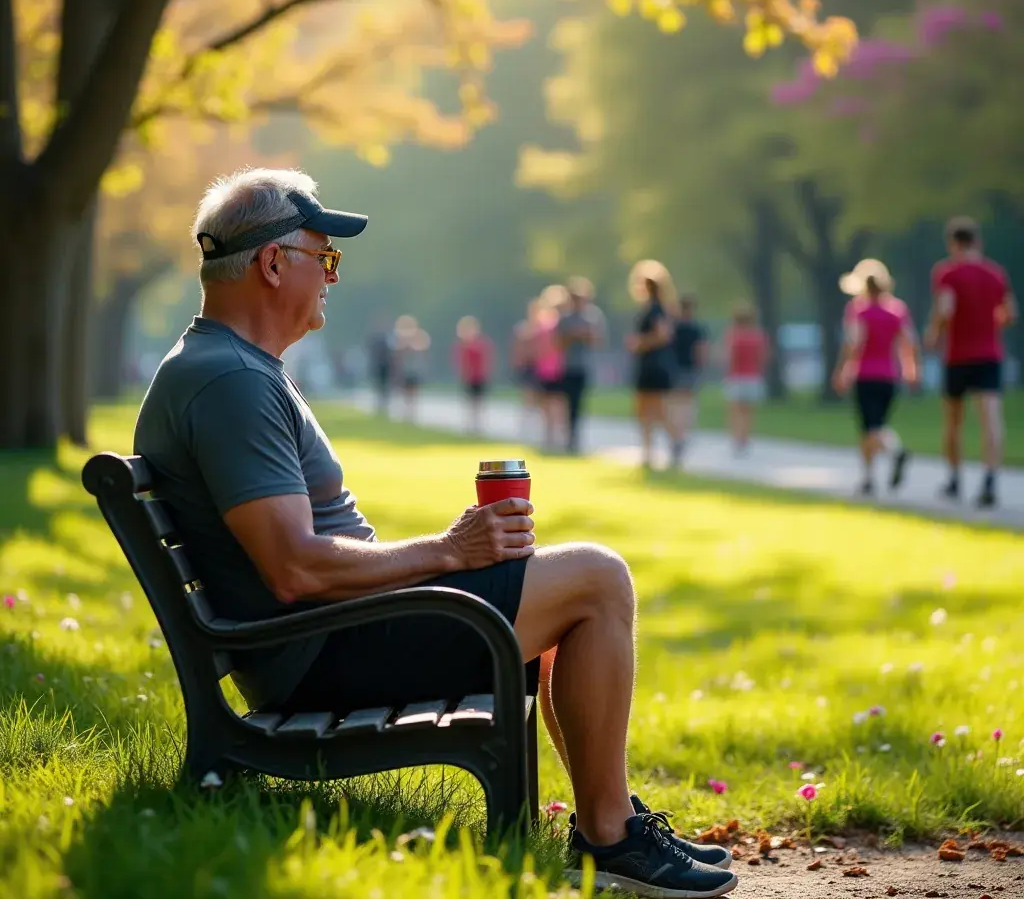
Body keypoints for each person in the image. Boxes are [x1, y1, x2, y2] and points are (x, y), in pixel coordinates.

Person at [134, 167, 739, 899]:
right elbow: (294, 569)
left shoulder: (231, 368)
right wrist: (451, 552)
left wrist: (453, 559)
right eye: (324, 258)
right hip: (321, 655)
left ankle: (606, 823)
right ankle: (608, 837)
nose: (332, 277)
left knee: (564, 588)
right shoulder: (230, 381)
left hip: (333, 635)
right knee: (596, 578)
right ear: (271, 263)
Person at [925, 216, 1017, 508]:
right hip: (989, 354)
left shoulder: (946, 273)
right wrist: (989, 323)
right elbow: (1010, 313)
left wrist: (934, 334)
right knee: (991, 418)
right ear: (977, 241)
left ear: (953, 243)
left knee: (954, 421)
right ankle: (990, 479)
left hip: (958, 355)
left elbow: (945, 308)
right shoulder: (995, 273)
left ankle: (954, 479)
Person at [833, 259, 919, 496]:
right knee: (874, 426)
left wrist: (841, 370)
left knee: (870, 428)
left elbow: (853, 342)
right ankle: (869, 478)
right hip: (890, 377)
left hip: (865, 375)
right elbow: (908, 342)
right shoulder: (897, 310)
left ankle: (894, 452)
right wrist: (911, 369)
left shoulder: (858, 310)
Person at [626, 260, 683, 470]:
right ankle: (650, 451)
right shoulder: (658, 309)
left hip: (654, 365)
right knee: (647, 410)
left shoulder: (656, 310)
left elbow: (663, 336)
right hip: (650, 364)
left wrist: (641, 342)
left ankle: (672, 442)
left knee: (655, 409)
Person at [557, 276, 607, 454]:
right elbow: (558, 343)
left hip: (584, 366)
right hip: (568, 366)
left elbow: (598, 340)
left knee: (579, 402)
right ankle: (569, 436)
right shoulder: (565, 319)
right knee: (567, 403)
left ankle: (576, 437)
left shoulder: (593, 317)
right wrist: (572, 335)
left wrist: (583, 335)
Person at [722, 303, 768, 455]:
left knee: (735, 410)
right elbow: (763, 357)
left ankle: (736, 438)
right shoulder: (757, 336)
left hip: (736, 376)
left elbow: (729, 357)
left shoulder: (733, 335)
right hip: (753, 376)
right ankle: (745, 438)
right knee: (748, 411)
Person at [533, 285, 570, 451]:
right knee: (548, 405)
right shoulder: (545, 323)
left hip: (557, 369)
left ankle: (557, 437)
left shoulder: (559, 324)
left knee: (557, 405)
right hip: (545, 369)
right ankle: (550, 437)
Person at [671, 294, 708, 456]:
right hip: (689, 370)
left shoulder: (673, 328)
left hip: (675, 370)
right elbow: (700, 352)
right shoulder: (696, 329)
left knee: (675, 405)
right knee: (688, 404)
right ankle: (683, 433)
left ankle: (677, 435)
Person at [452, 315, 494, 436]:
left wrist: (486, 373)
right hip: (469, 378)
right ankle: (469, 426)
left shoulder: (482, 343)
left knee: (479, 402)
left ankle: (479, 425)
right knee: (469, 402)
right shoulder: (462, 345)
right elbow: (460, 362)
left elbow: (487, 360)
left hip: (480, 377)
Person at [511, 299, 543, 438]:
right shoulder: (523, 327)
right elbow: (518, 348)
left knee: (542, 399)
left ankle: (539, 428)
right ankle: (526, 427)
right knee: (528, 397)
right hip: (527, 367)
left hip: (541, 367)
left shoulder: (543, 328)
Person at [392, 314, 431, 423]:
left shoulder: (420, 337)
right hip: (406, 371)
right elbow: (397, 357)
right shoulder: (400, 340)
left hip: (415, 370)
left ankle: (412, 412)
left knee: (414, 392)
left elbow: (424, 351)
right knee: (406, 393)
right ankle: (407, 412)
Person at [366, 317, 394, 416]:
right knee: (379, 386)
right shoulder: (376, 339)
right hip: (378, 365)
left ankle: (385, 405)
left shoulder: (388, 338)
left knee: (385, 386)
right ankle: (380, 406)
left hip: (385, 365)